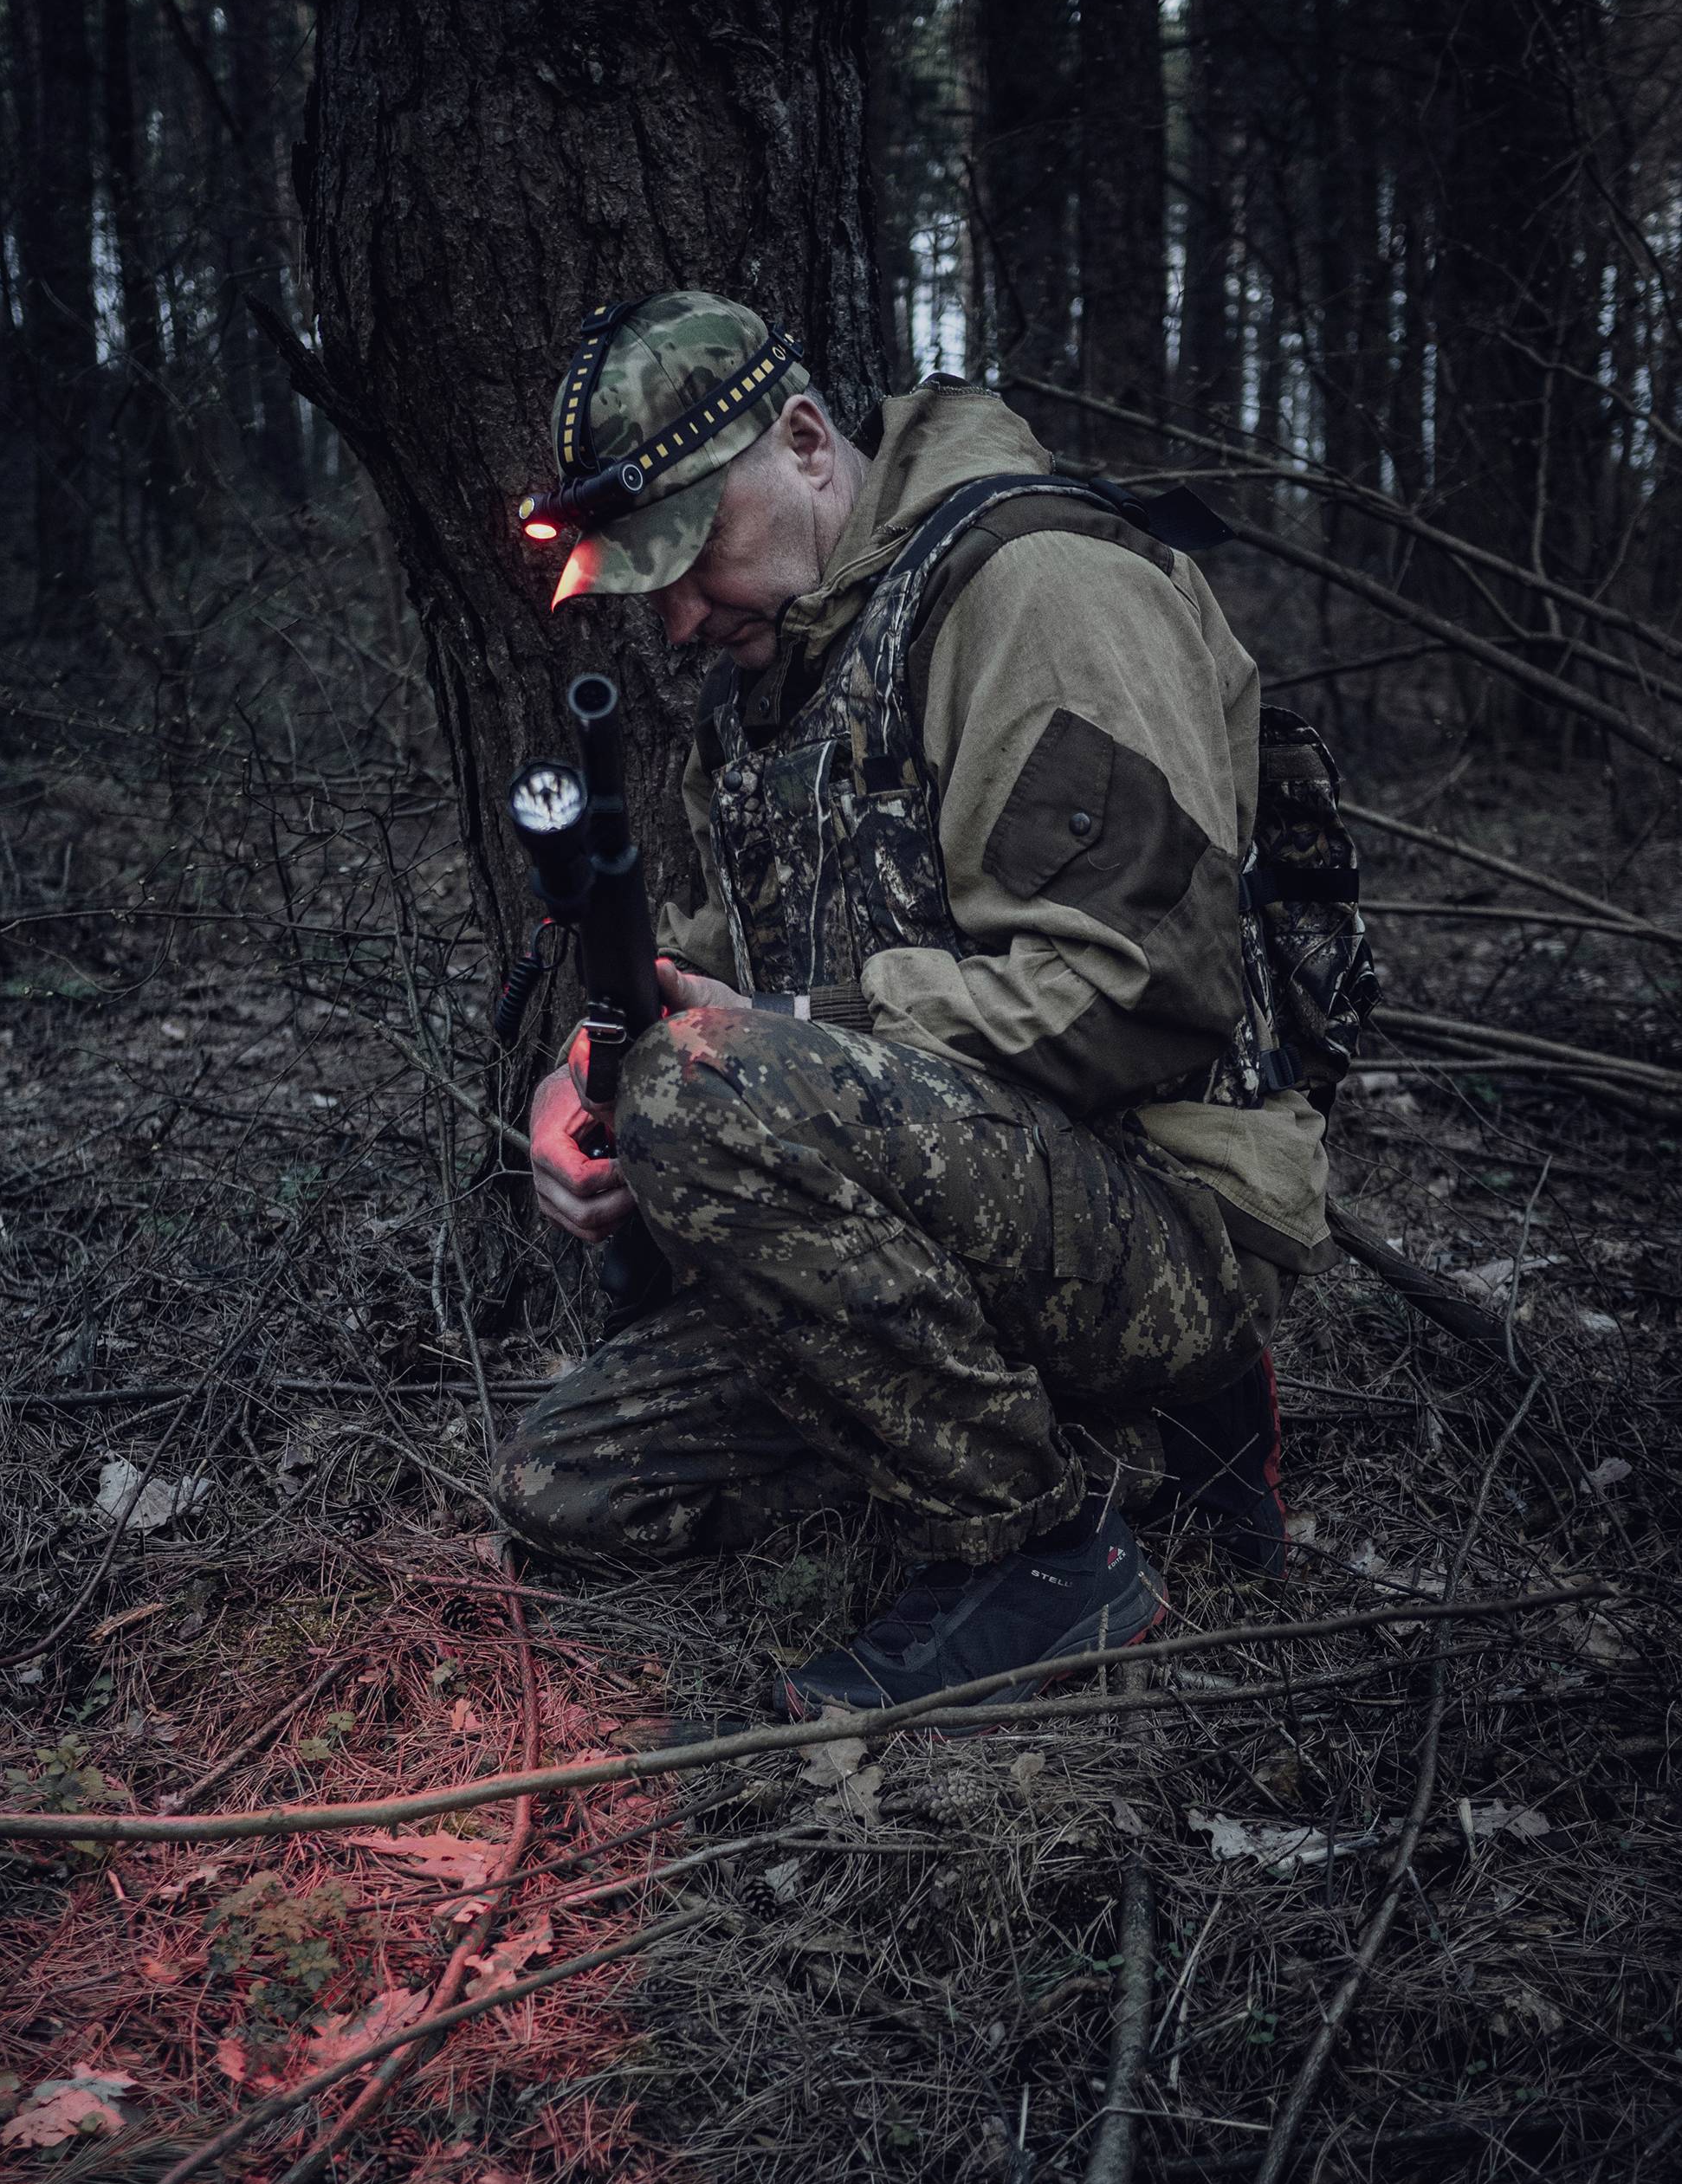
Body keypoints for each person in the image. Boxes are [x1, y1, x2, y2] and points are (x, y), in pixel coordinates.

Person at [493, 291, 1334, 1719]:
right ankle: (1107, 1433)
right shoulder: (782, 659)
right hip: (963, 1225)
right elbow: (721, 951)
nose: (681, 613)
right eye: (654, 583)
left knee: (710, 1086)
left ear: (809, 444)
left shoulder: (1041, 591)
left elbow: (1150, 988)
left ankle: (1050, 1559)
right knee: (558, 1481)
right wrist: (589, 1067)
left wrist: (765, 1040)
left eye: (693, 552)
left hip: (1169, 1208)